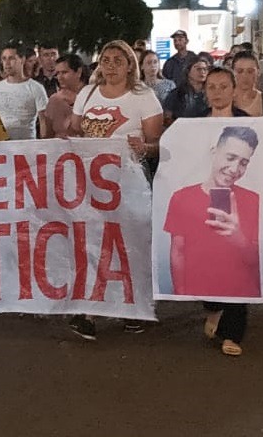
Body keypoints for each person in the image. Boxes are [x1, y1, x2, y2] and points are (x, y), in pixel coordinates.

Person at [68, 40, 163, 340]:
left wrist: (144, 147)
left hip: (129, 181)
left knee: (130, 243)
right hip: (92, 182)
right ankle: (89, 311)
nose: (110, 66)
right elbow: (74, 129)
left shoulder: (143, 96)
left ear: (129, 65)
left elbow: (157, 143)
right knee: (93, 241)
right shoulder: (88, 93)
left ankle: (134, 309)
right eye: (105, 60)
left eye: (117, 61)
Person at [171, 67, 251, 355]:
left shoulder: (251, 123)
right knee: (205, 259)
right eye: (212, 87)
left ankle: (233, 332)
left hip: (239, 202)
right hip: (202, 201)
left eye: (223, 86)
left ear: (234, 89)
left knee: (236, 263)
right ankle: (213, 308)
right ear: (205, 92)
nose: (218, 92)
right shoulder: (193, 123)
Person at [164, 126, 263, 303]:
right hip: (197, 289)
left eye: (243, 163)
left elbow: (257, 260)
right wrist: (180, 290)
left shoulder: (254, 200)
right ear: (214, 152)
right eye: (231, 157)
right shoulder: (182, 198)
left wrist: (238, 238)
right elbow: (178, 251)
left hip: (240, 290)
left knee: (229, 329)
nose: (234, 169)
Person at [0, 44, 48, 141]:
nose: (7, 63)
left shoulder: (36, 88)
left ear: (22, 60)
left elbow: (44, 120)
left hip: (27, 146)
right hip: (1, 146)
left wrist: (44, 143)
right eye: (4, 59)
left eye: (11, 58)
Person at [41, 54, 88, 139]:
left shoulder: (91, 95)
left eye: (64, 72)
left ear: (78, 72)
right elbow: (47, 134)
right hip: (60, 149)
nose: (60, 77)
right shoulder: (55, 100)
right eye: (58, 73)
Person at [163, 57, 211, 124]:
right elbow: (167, 118)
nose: (202, 72)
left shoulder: (211, 93)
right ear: (188, 71)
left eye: (205, 69)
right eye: (198, 69)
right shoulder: (176, 94)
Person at [230, 51, 263, 117]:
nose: (245, 76)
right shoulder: (224, 98)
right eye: (240, 71)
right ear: (232, 72)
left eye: (250, 71)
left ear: (258, 72)